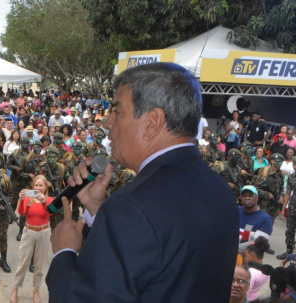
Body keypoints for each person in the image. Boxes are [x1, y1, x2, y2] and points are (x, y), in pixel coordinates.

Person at [46, 63, 238, 302]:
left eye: (117, 110)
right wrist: (98, 209)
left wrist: (64, 252)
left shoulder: (131, 208)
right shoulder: (219, 190)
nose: (107, 122)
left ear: (152, 122)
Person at [10, 176, 53, 303]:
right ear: (32, 186)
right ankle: (15, 288)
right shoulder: (29, 199)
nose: (38, 188)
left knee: (39, 265)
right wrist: (22, 199)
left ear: (45, 187)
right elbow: (21, 212)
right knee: (23, 262)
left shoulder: (49, 200)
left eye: (41, 185)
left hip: (43, 233)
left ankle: (36, 290)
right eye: (36, 185)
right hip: (29, 231)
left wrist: (44, 201)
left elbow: (50, 213)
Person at [253, 153, 286, 223]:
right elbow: (255, 189)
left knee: (269, 224)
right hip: (263, 204)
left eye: (281, 162)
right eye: (278, 161)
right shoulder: (264, 172)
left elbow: (282, 189)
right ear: (272, 161)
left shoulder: (281, 174)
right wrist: (268, 195)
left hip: (274, 205)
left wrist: (281, 197)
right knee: (258, 223)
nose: (280, 163)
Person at [244, 237, 270, 301]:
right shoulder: (265, 270)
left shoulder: (251, 272)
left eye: (246, 256)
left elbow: (245, 292)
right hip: (255, 298)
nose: (245, 259)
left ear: (252, 255)